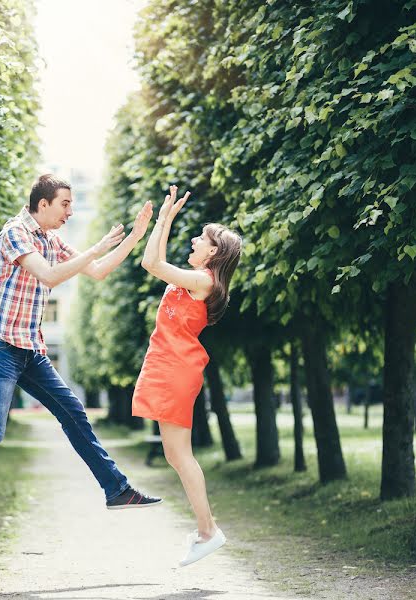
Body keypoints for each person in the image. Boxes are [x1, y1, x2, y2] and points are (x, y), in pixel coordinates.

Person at [0, 174, 162, 534]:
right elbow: (49, 277)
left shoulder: (51, 239)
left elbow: (96, 271)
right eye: (65, 204)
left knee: (73, 411)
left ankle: (117, 489)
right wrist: (95, 247)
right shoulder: (15, 233)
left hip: (28, 346)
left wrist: (133, 237)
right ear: (43, 203)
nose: (70, 211)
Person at [134, 185, 242, 566]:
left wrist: (164, 220)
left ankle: (208, 531)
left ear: (213, 251)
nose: (194, 240)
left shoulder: (203, 281)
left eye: (202, 238)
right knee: (175, 454)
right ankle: (206, 529)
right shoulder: (195, 278)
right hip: (169, 363)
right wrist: (164, 219)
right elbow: (155, 258)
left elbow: (151, 264)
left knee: (180, 455)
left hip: (177, 366)